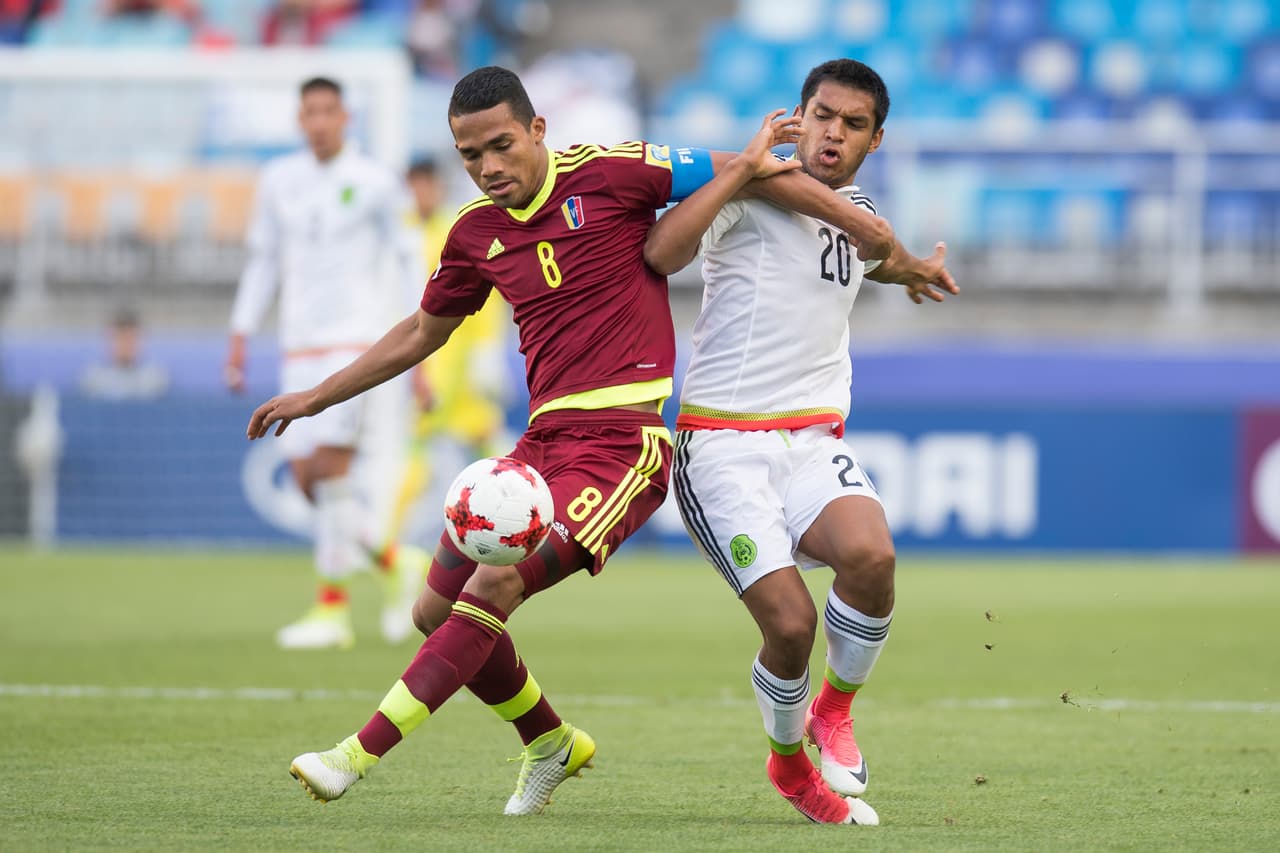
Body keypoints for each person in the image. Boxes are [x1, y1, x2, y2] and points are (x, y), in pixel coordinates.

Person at [247, 64, 901, 816]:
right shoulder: (475, 233)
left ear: (537, 130)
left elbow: (754, 171)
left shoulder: (614, 171)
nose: (489, 167)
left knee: (493, 588)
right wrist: (316, 396)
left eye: (501, 145)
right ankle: (549, 740)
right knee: (434, 611)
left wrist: (872, 233)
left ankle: (354, 755)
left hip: (624, 446)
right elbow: (422, 332)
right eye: (470, 155)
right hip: (541, 445)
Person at [643, 59, 957, 825]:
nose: (833, 132)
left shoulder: (859, 208)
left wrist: (908, 267)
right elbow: (661, 253)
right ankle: (787, 764)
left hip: (812, 438)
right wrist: (739, 170)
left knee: (873, 558)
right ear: (799, 115)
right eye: (822, 114)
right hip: (722, 445)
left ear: (875, 140)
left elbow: (866, 254)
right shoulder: (747, 190)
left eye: (853, 124)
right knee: (790, 624)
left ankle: (833, 710)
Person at [225, 76, 426, 651]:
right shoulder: (278, 181)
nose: (318, 122)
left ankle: (331, 612)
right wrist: (240, 332)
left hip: (351, 345)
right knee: (308, 481)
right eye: (308, 112)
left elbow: (409, 256)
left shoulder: (375, 182)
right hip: (297, 346)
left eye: (327, 111)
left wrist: (421, 341)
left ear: (345, 117)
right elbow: (264, 260)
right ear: (299, 119)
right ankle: (397, 564)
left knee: (330, 469)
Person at [383, 158, 513, 545]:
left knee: (486, 440)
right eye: (414, 185)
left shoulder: (455, 229)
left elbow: (487, 293)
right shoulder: (396, 233)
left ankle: (521, 522)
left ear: (437, 187)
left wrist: (487, 349)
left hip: (460, 360)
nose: (420, 193)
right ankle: (387, 542)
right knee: (419, 448)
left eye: (426, 184)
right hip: (420, 362)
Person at [78, 306, 170, 401]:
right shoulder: (93, 380)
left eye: (131, 338)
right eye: (120, 338)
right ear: (109, 339)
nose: (126, 344)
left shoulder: (155, 379)